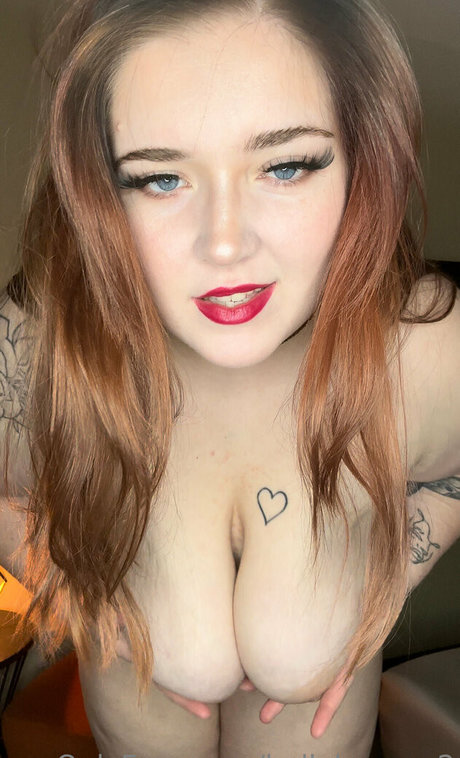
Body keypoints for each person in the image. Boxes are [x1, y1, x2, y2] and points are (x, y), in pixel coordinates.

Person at [1, 0, 459, 755]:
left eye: (285, 166)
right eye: (159, 178)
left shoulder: (422, 349)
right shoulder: (45, 347)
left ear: (364, 159)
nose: (223, 245)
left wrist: (392, 574)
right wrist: (70, 592)